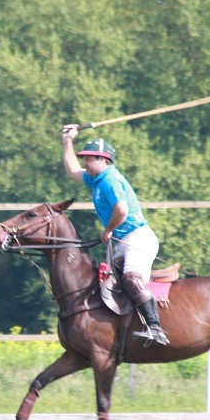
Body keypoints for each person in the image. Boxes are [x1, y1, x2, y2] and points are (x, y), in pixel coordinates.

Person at [61, 124, 169, 346]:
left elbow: (122, 210)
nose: (85, 163)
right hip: (123, 241)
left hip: (137, 238)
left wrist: (108, 230)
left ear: (104, 160)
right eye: (85, 159)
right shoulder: (96, 179)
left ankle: (156, 329)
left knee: (130, 279)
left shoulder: (110, 179)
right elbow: (72, 171)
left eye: (89, 159)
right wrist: (67, 140)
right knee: (106, 282)